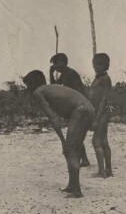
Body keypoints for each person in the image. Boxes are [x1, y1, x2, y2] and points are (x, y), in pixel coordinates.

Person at [23, 70, 95, 198]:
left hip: (81, 110)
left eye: (28, 85)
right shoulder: (48, 88)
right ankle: (72, 185)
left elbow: (53, 118)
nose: (27, 89)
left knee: (70, 149)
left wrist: (63, 141)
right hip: (87, 109)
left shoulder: (38, 92)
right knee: (73, 149)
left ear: (32, 83)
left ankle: (76, 190)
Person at [49, 53, 90, 167]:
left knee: (75, 133)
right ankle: (85, 159)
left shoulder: (70, 74)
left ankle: (82, 159)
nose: (55, 67)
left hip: (81, 105)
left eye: (55, 64)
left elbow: (67, 90)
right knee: (77, 133)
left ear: (62, 62)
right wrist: (51, 73)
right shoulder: (66, 73)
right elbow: (55, 87)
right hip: (78, 105)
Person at [89, 53, 113, 178]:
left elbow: (103, 101)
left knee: (96, 142)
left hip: (102, 112)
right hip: (101, 112)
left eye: (100, 64)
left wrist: (96, 120)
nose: (97, 67)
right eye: (95, 64)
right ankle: (108, 170)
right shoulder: (99, 78)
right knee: (103, 141)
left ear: (106, 65)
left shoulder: (104, 79)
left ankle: (101, 171)